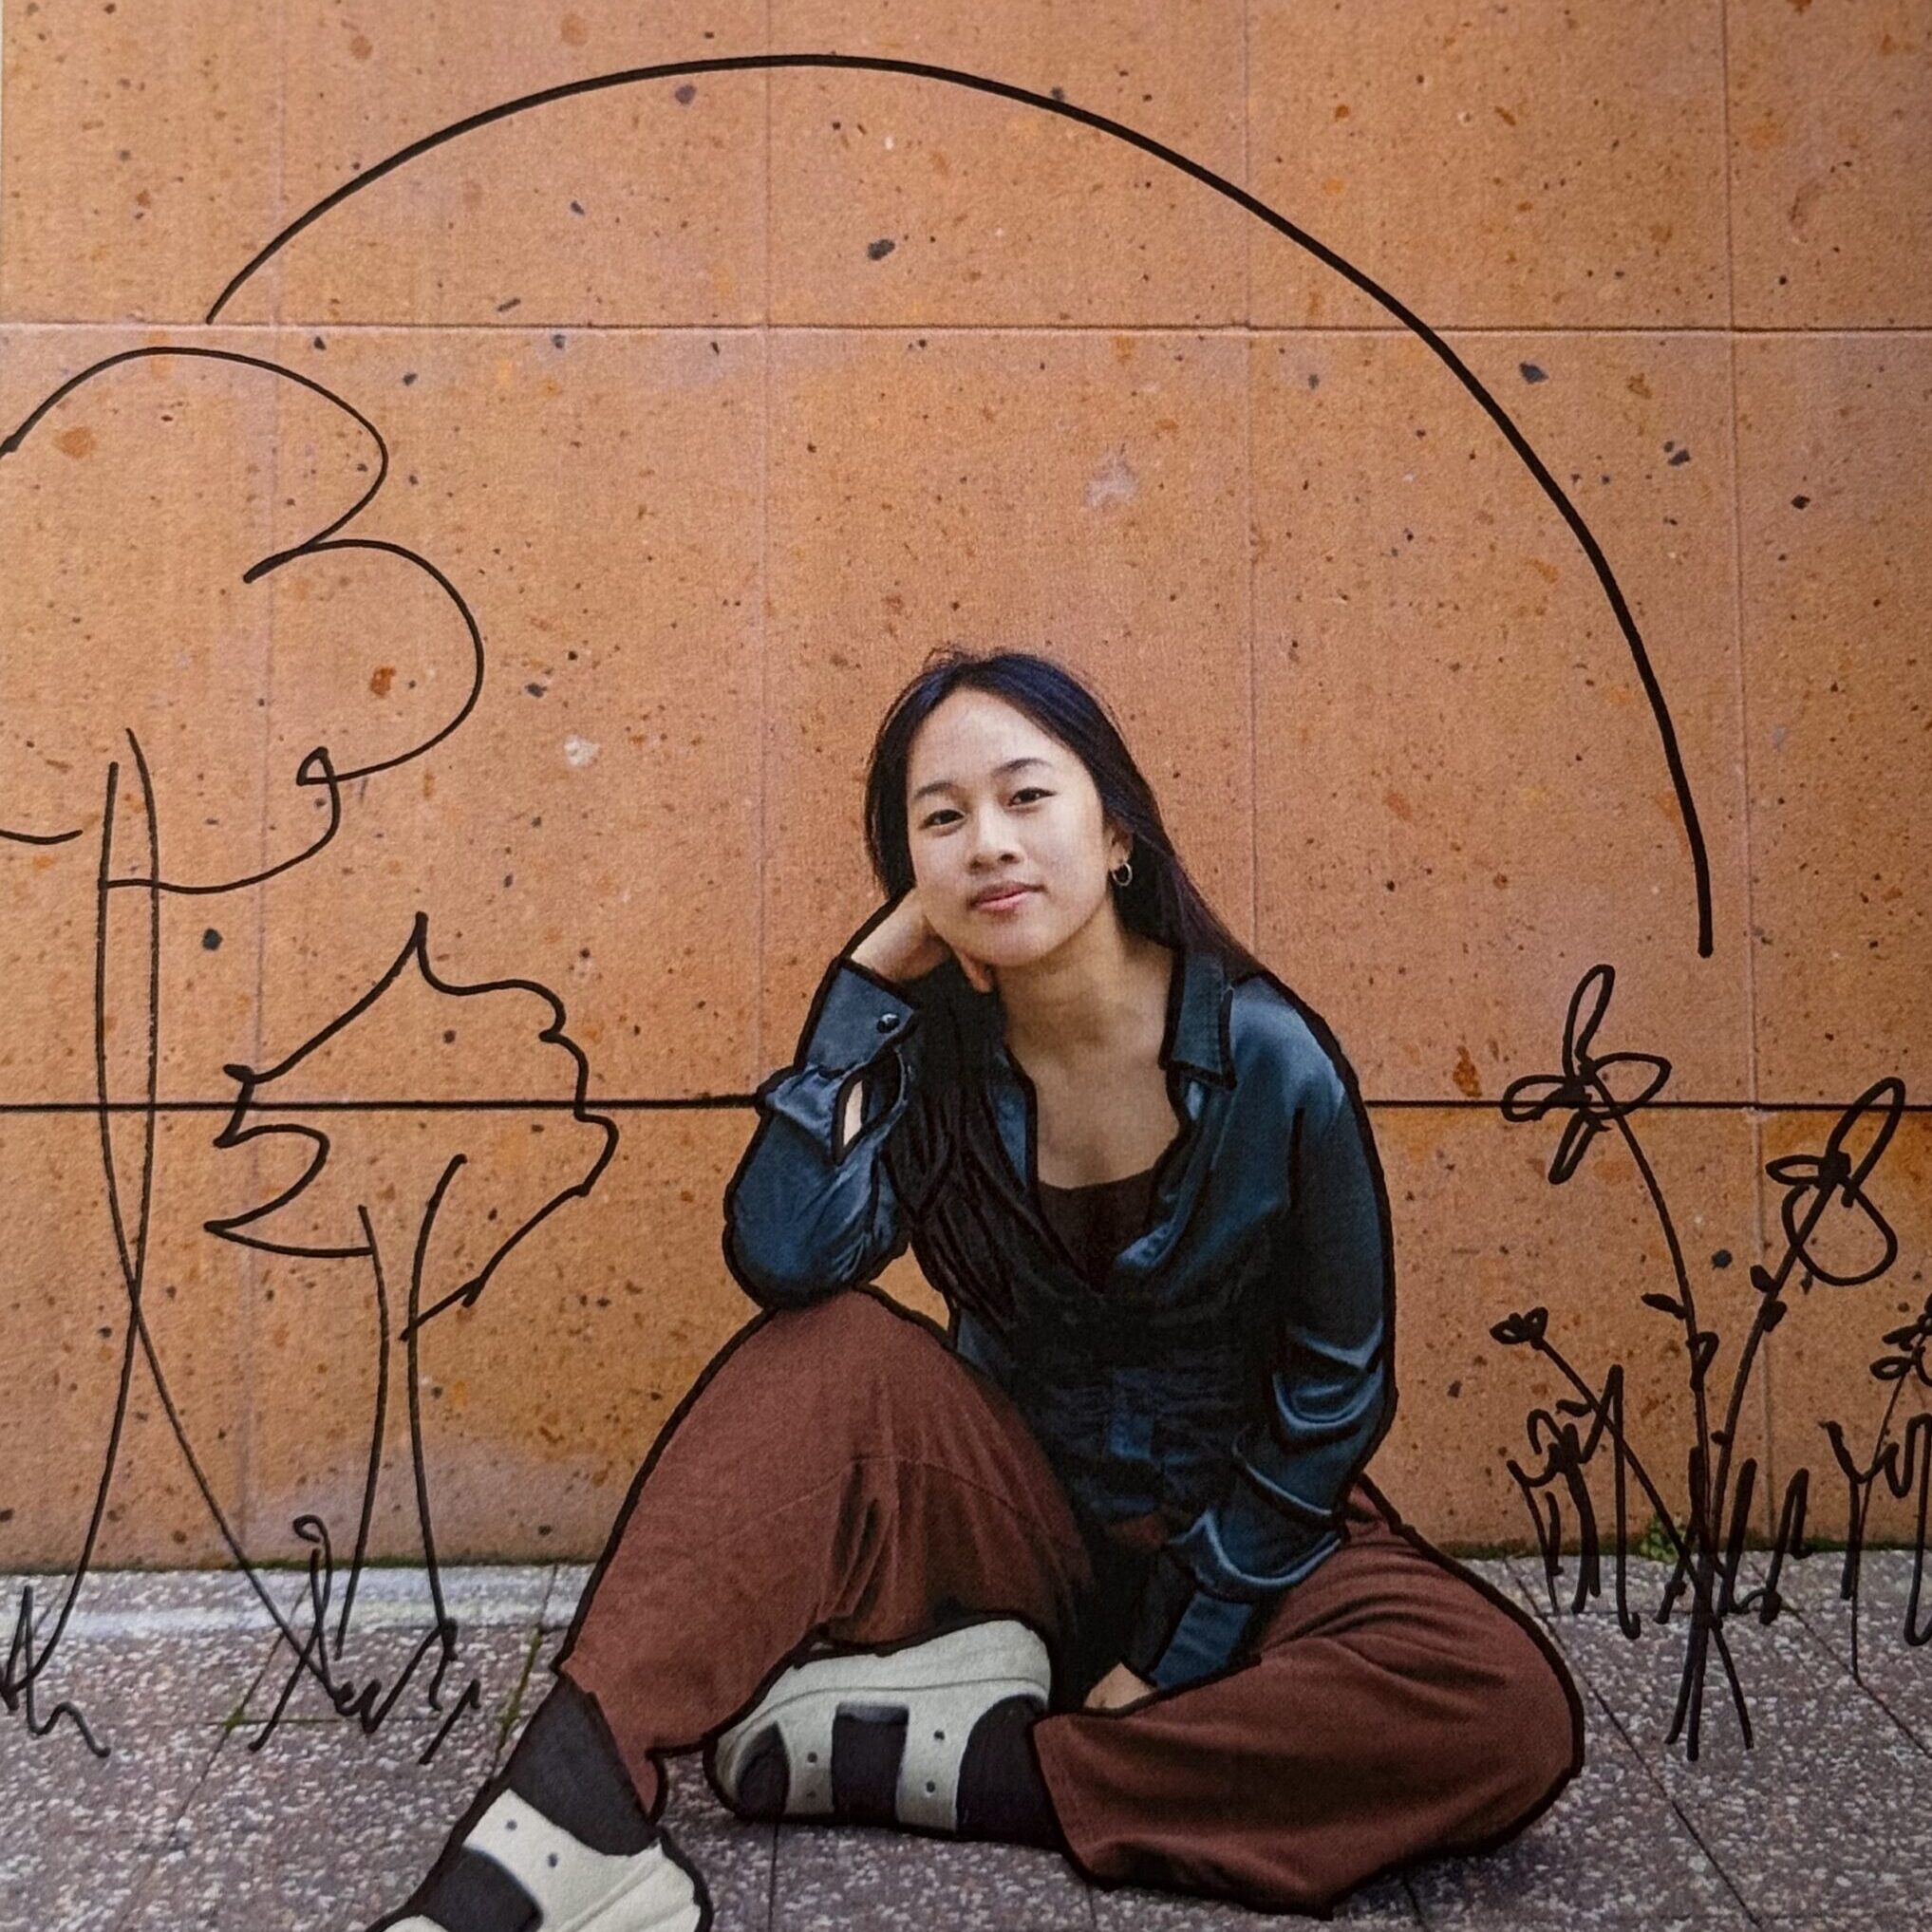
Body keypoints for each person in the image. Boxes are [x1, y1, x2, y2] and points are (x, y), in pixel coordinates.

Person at [376, 647, 1583, 1932]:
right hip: (1019, 1522)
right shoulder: (931, 1056)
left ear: (1117, 833)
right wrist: (857, 1004)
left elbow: (1335, 1393)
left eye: (1026, 798)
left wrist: (1172, 1655)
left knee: (1501, 1707)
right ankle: (574, 1820)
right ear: (910, 876)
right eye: (941, 820)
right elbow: (786, 1259)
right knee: (826, 1349)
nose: (988, 846)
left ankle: (972, 1765)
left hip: (1250, 1540)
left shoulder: (1271, 1060)